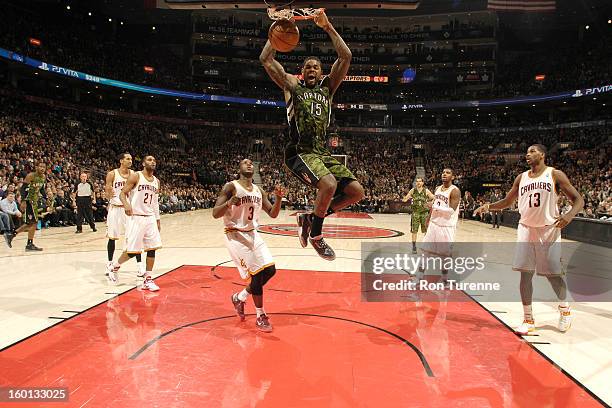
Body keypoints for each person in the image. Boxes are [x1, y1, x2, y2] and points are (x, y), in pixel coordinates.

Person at [260, 10, 364, 261]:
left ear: (321, 72)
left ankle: (310, 218)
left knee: (356, 192)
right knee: (328, 184)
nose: (312, 69)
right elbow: (265, 58)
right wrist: (279, 27)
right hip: (300, 151)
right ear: (302, 71)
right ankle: (316, 235)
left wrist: (327, 26)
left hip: (322, 153)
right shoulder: (293, 86)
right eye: (307, 66)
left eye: (316, 67)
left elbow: (346, 56)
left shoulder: (328, 88)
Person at [474, 144, 584, 335]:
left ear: (542, 154)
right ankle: (528, 318)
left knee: (553, 275)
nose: (528, 154)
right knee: (525, 274)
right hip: (526, 229)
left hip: (549, 230)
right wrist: (488, 206)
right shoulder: (521, 177)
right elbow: (508, 201)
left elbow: (578, 200)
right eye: (526, 152)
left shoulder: (555, 175)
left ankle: (565, 310)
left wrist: (569, 215)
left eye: (532, 151)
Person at [212, 159, 284, 332]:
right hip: (235, 234)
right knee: (257, 274)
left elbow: (273, 214)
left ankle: (240, 297)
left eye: (251, 162)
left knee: (270, 270)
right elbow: (215, 213)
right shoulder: (231, 187)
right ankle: (260, 315)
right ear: (239, 168)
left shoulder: (259, 191)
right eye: (245, 162)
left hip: (253, 233)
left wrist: (279, 198)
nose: (249, 164)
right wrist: (229, 203)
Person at [106, 156, 161, 292]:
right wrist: (126, 205)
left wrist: (158, 220)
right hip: (136, 217)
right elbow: (122, 194)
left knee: (152, 248)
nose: (152, 162)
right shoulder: (136, 176)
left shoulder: (156, 181)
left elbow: (155, 203)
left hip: (150, 218)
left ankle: (148, 279)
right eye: (149, 160)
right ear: (143, 163)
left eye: (154, 160)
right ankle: (114, 267)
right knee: (132, 251)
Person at [104, 153, 144, 276]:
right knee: (112, 237)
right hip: (115, 208)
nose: (130, 161)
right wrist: (108, 192)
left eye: (131, 159)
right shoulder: (112, 174)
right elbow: (107, 191)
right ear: (121, 160)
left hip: (128, 209)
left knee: (134, 237)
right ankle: (110, 263)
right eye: (128, 159)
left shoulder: (134, 175)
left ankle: (139, 265)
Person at [421, 168, 461, 284]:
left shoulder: (455, 191)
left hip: (447, 226)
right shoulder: (438, 188)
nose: (444, 174)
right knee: (425, 251)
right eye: (443, 172)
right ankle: (419, 276)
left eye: (448, 173)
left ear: (453, 177)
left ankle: (444, 279)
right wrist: (428, 219)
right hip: (434, 223)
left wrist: (433, 207)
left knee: (445, 255)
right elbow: (434, 205)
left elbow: (451, 210)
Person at [15, 162, 47, 251]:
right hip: (29, 200)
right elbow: (23, 189)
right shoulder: (31, 176)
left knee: (30, 223)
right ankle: (29, 244)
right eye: (40, 166)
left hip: (35, 202)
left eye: (44, 167)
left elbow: (42, 189)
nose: (42, 168)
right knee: (34, 223)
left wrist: (46, 198)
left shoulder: (43, 177)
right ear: (37, 167)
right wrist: (23, 201)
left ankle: (12, 234)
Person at [402, 177, 435, 254]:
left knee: (426, 231)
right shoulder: (413, 190)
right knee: (414, 231)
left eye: (420, 181)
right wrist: (405, 198)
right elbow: (405, 199)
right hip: (415, 213)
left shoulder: (426, 191)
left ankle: (426, 246)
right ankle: (414, 247)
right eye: (417, 181)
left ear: (423, 183)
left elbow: (434, 197)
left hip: (424, 213)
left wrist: (431, 203)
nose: (418, 183)